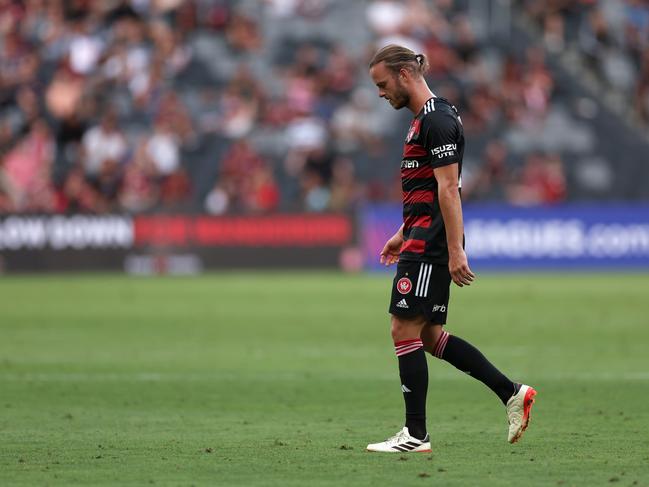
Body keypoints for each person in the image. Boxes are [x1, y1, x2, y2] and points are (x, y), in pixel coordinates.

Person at [366, 45, 536, 453]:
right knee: (428, 335)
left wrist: (455, 249)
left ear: (405, 75)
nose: (380, 92)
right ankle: (512, 393)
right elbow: (427, 189)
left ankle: (415, 435)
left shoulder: (437, 120)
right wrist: (401, 231)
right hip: (420, 237)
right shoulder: (428, 119)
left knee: (402, 329)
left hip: (431, 246)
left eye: (383, 84)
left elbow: (448, 189)